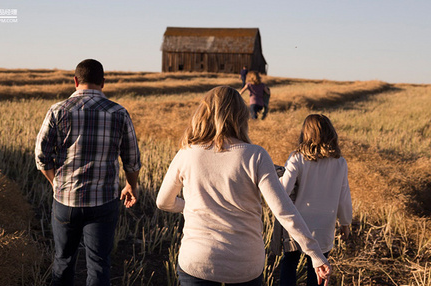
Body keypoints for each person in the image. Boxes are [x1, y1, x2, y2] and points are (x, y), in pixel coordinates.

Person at [156, 86, 331, 286]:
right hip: (245, 266)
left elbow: (163, 202)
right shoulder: (255, 155)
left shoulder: (186, 153)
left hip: (197, 262)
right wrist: (315, 254)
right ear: (241, 116)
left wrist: (192, 206)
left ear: (204, 113)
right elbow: (283, 211)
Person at [35, 59, 141, 286]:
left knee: (63, 261)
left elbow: (41, 158)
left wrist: (56, 184)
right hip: (103, 202)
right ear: (103, 82)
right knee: (99, 263)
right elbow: (132, 160)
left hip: (65, 201)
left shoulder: (57, 110)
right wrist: (131, 185)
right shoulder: (119, 112)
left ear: (75, 81)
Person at [279, 114, 352, 286]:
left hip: (298, 225)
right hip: (324, 226)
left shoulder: (297, 157)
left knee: (289, 264)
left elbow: (283, 190)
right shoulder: (340, 162)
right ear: (331, 134)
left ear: (305, 134)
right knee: (318, 270)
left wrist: (277, 177)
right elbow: (344, 196)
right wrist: (345, 223)